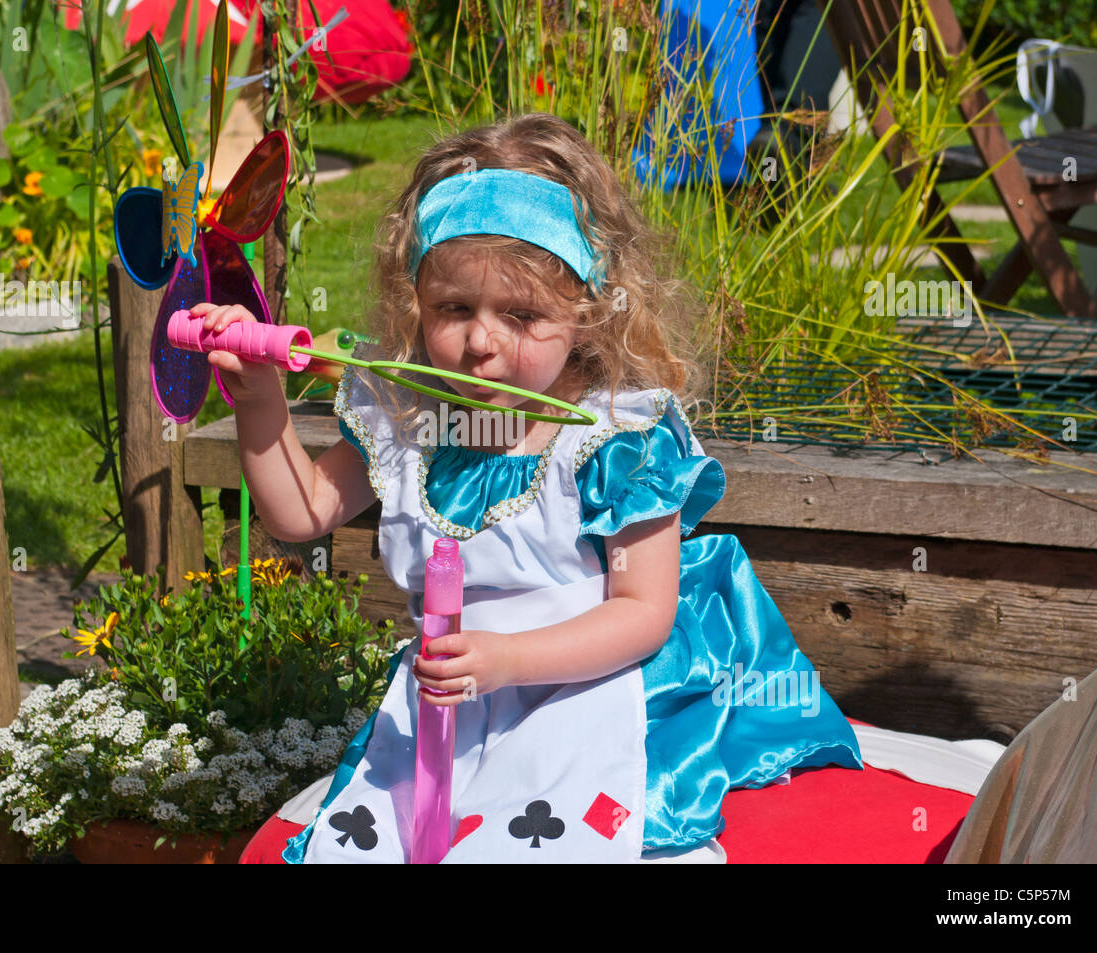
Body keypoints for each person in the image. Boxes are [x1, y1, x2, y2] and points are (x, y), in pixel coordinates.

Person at [191, 113, 862, 863]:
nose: (481, 342)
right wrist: (257, 402)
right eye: (454, 309)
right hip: (452, 706)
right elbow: (301, 511)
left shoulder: (611, 436)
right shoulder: (411, 415)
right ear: (416, 299)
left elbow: (643, 613)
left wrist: (507, 660)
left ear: (586, 312)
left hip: (585, 691)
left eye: (521, 315)